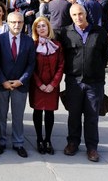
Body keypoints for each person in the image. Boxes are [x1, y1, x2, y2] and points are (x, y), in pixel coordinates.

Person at [58, 4, 108, 162]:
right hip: (74, 81)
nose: (78, 17)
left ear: (86, 14)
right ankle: (73, 142)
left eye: (80, 14)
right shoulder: (65, 33)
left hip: (94, 82)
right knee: (73, 115)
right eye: (74, 15)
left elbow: (104, 56)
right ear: (70, 16)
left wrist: (95, 70)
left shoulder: (99, 32)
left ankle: (92, 147)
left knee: (92, 116)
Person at [0, 11, 36, 158]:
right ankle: (1, 141)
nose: (16, 25)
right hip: (2, 84)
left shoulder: (29, 41)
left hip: (20, 85)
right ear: (8, 23)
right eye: (13, 22)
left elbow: (31, 64)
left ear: (23, 24)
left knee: (18, 116)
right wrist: (3, 81)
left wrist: (21, 80)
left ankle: (18, 143)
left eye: (19, 22)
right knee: (1, 114)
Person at [29, 16, 64, 155]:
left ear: (48, 27)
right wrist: (39, 84)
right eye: (38, 26)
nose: (41, 28)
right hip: (37, 85)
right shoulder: (33, 45)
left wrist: (53, 84)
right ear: (35, 30)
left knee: (49, 112)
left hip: (52, 86)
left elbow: (61, 65)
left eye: (44, 26)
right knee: (37, 111)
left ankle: (48, 139)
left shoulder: (57, 45)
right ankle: (38, 139)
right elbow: (30, 66)